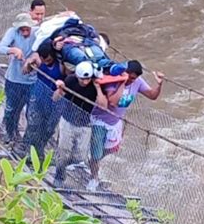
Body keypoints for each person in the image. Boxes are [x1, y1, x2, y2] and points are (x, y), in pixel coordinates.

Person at [88, 60, 164, 190]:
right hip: (99, 120)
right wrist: (122, 82)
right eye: (129, 77)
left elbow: (152, 95)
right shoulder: (113, 80)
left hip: (115, 122)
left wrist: (159, 84)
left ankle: (91, 160)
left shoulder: (137, 82)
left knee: (108, 150)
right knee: (96, 154)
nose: (131, 80)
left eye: (134, 78)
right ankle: (93, 178)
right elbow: (113, 102)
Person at [52, 61, 107, 187]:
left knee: (80, 156)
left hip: (85, 124)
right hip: (67, 121)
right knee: (63, 151)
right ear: (77, 76)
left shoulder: (94, 85)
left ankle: (68, 165)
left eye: (87, 79)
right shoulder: (71, 80)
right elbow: (55, 98)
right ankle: (59, 176)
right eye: (82, 79)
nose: (85, 82)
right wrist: (60, 89)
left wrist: (98, 88)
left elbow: (103, 106)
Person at [15, 43, 64, 162]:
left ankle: (38, 151)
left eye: (48, 59)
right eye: (43, 59)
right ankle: (26, 149)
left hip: (55, 102)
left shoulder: (61, 65)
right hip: (38, 97)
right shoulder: (37, 60)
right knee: (33, 124)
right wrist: (28, 62)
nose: (46, 61)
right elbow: (26, 68)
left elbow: (68, 78)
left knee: (49, 128)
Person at [0, 13, 37, 144]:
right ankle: (10, 133)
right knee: (11, 109)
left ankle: (27, 141)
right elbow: (0, 49)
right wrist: (13, 50)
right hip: (14, 79)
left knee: (32, 113)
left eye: (27, 29)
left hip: (32, 81)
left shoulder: (37, 33)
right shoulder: (12, 32)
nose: (25, 32)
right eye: (22, 29)